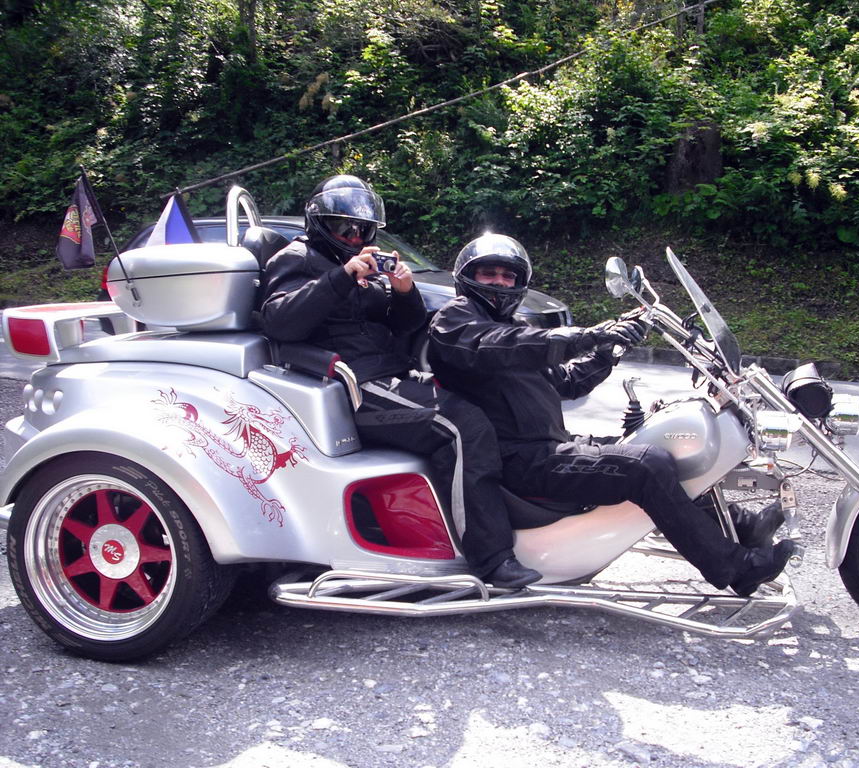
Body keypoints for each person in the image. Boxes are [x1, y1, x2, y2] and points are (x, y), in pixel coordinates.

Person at [427, 233, 795, 596]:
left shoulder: (516, 327)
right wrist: (588, 335)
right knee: (646, 465)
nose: (499, 282)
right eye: (489, 273)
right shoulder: (455, 320)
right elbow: (500, 346)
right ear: (467, 277)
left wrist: (611, 347)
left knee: (661, 444)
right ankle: (735, 569)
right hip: (518, 460)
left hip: (550, 446)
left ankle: (743, 525)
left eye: (508, 276)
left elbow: (568, 382)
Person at [260, 176, 540, 589]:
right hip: (352, 386)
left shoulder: (366, 266)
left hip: (391, 374)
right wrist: (342, 276)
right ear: (319, 223)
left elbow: (405, 327)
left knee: (489, 399)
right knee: (462, 425)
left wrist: (404, 291)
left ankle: (530, 514)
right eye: (344, 229)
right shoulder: (297, 258)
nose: (354, 238)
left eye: (362, 230)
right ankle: (492, 558)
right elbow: (280, 321)